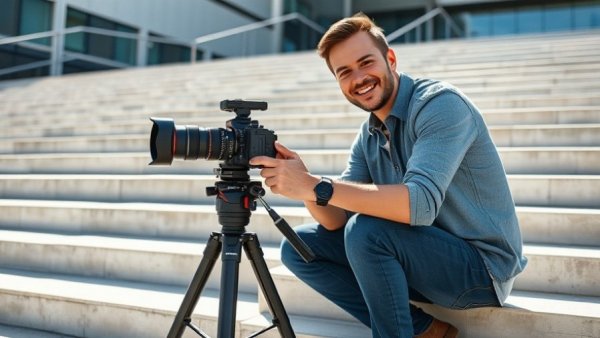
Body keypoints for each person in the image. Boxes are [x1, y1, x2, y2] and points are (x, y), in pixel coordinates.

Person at [250, 13, 527, 338]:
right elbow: (336, 221)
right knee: (300, 246)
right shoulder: (369, 135)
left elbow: (419, 205)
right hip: (421, 260)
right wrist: (304, 185)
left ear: (390, 59)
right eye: (345, 72)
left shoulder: (441, 105)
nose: (359, 78)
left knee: (367, 230)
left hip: (480, 270)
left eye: (366, 62)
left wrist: (317, 186)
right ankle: (424, 329)